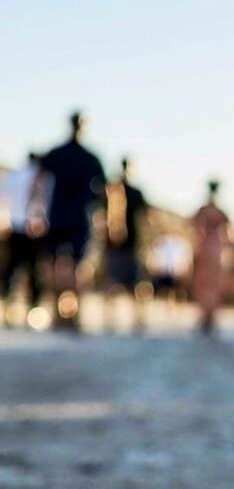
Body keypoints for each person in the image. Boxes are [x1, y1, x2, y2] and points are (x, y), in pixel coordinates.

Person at [37, 111, 105, 329]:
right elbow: (103, 189)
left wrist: (36, 210)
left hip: (58, 214)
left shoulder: (57, 154)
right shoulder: (90, 157)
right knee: (76, 266)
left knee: (56, 264)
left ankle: (59, 312)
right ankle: (74, 314)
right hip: (78, 215)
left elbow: (39, 180)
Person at [0, 152, 50, 325]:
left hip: (14, 228)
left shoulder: (12, 175)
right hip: (33, 229)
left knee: (12, 269)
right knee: (33, 270)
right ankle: (33, 310)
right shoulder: (41, 176)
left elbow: (3, 200)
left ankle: (8, 307)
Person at [103, 157, 149, 330]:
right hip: (119, 243)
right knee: (117, 280)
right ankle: (113, 318)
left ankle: (133, 318)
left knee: (130, 281)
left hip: (128, 242)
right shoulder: (113, 190)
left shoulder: (121, 190)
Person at [190, 180, 234, 333]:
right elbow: (229, 234)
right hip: (216, 251)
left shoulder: (204, 209)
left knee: (205, 284)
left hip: (205, 249)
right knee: (212, 285)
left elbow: (194, 227)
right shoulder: (219, 211)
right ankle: (209, 317)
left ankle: (206, 316)